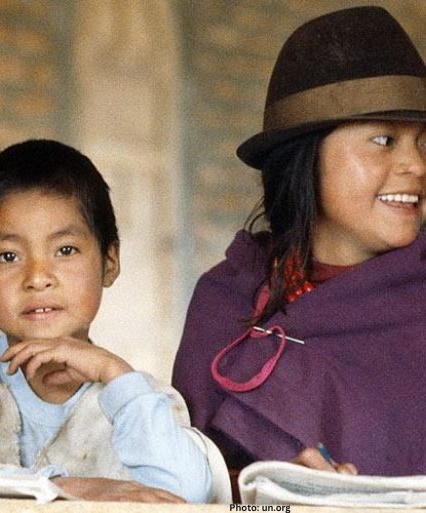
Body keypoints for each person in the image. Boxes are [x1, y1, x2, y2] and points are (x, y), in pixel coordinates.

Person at [173, 6, 426, 478]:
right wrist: (273, 493)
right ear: (306, 158)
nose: (417, 165)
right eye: (385, 140)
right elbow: (193, 498)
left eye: (424, 143)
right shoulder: (227, 299)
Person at [0, 139, 230, 503]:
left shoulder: (136, 399)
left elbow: (188, 495)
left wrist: (115, 374)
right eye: (8, 256)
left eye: (65, 250)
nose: (38, 277)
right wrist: (60, 489)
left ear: (110, 260)